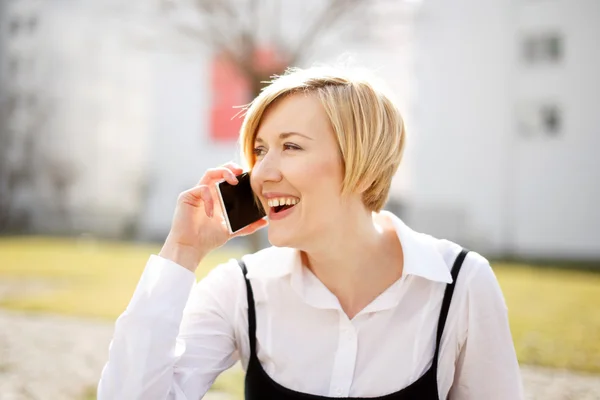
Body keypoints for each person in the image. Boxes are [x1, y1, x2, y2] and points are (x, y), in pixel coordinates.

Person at [97, 66, 524, 399]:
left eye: (292, 146)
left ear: (363, 163)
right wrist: (181, 252)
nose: (262, 173)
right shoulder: (240, 289)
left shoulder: (460, 285)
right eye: (260, 150)